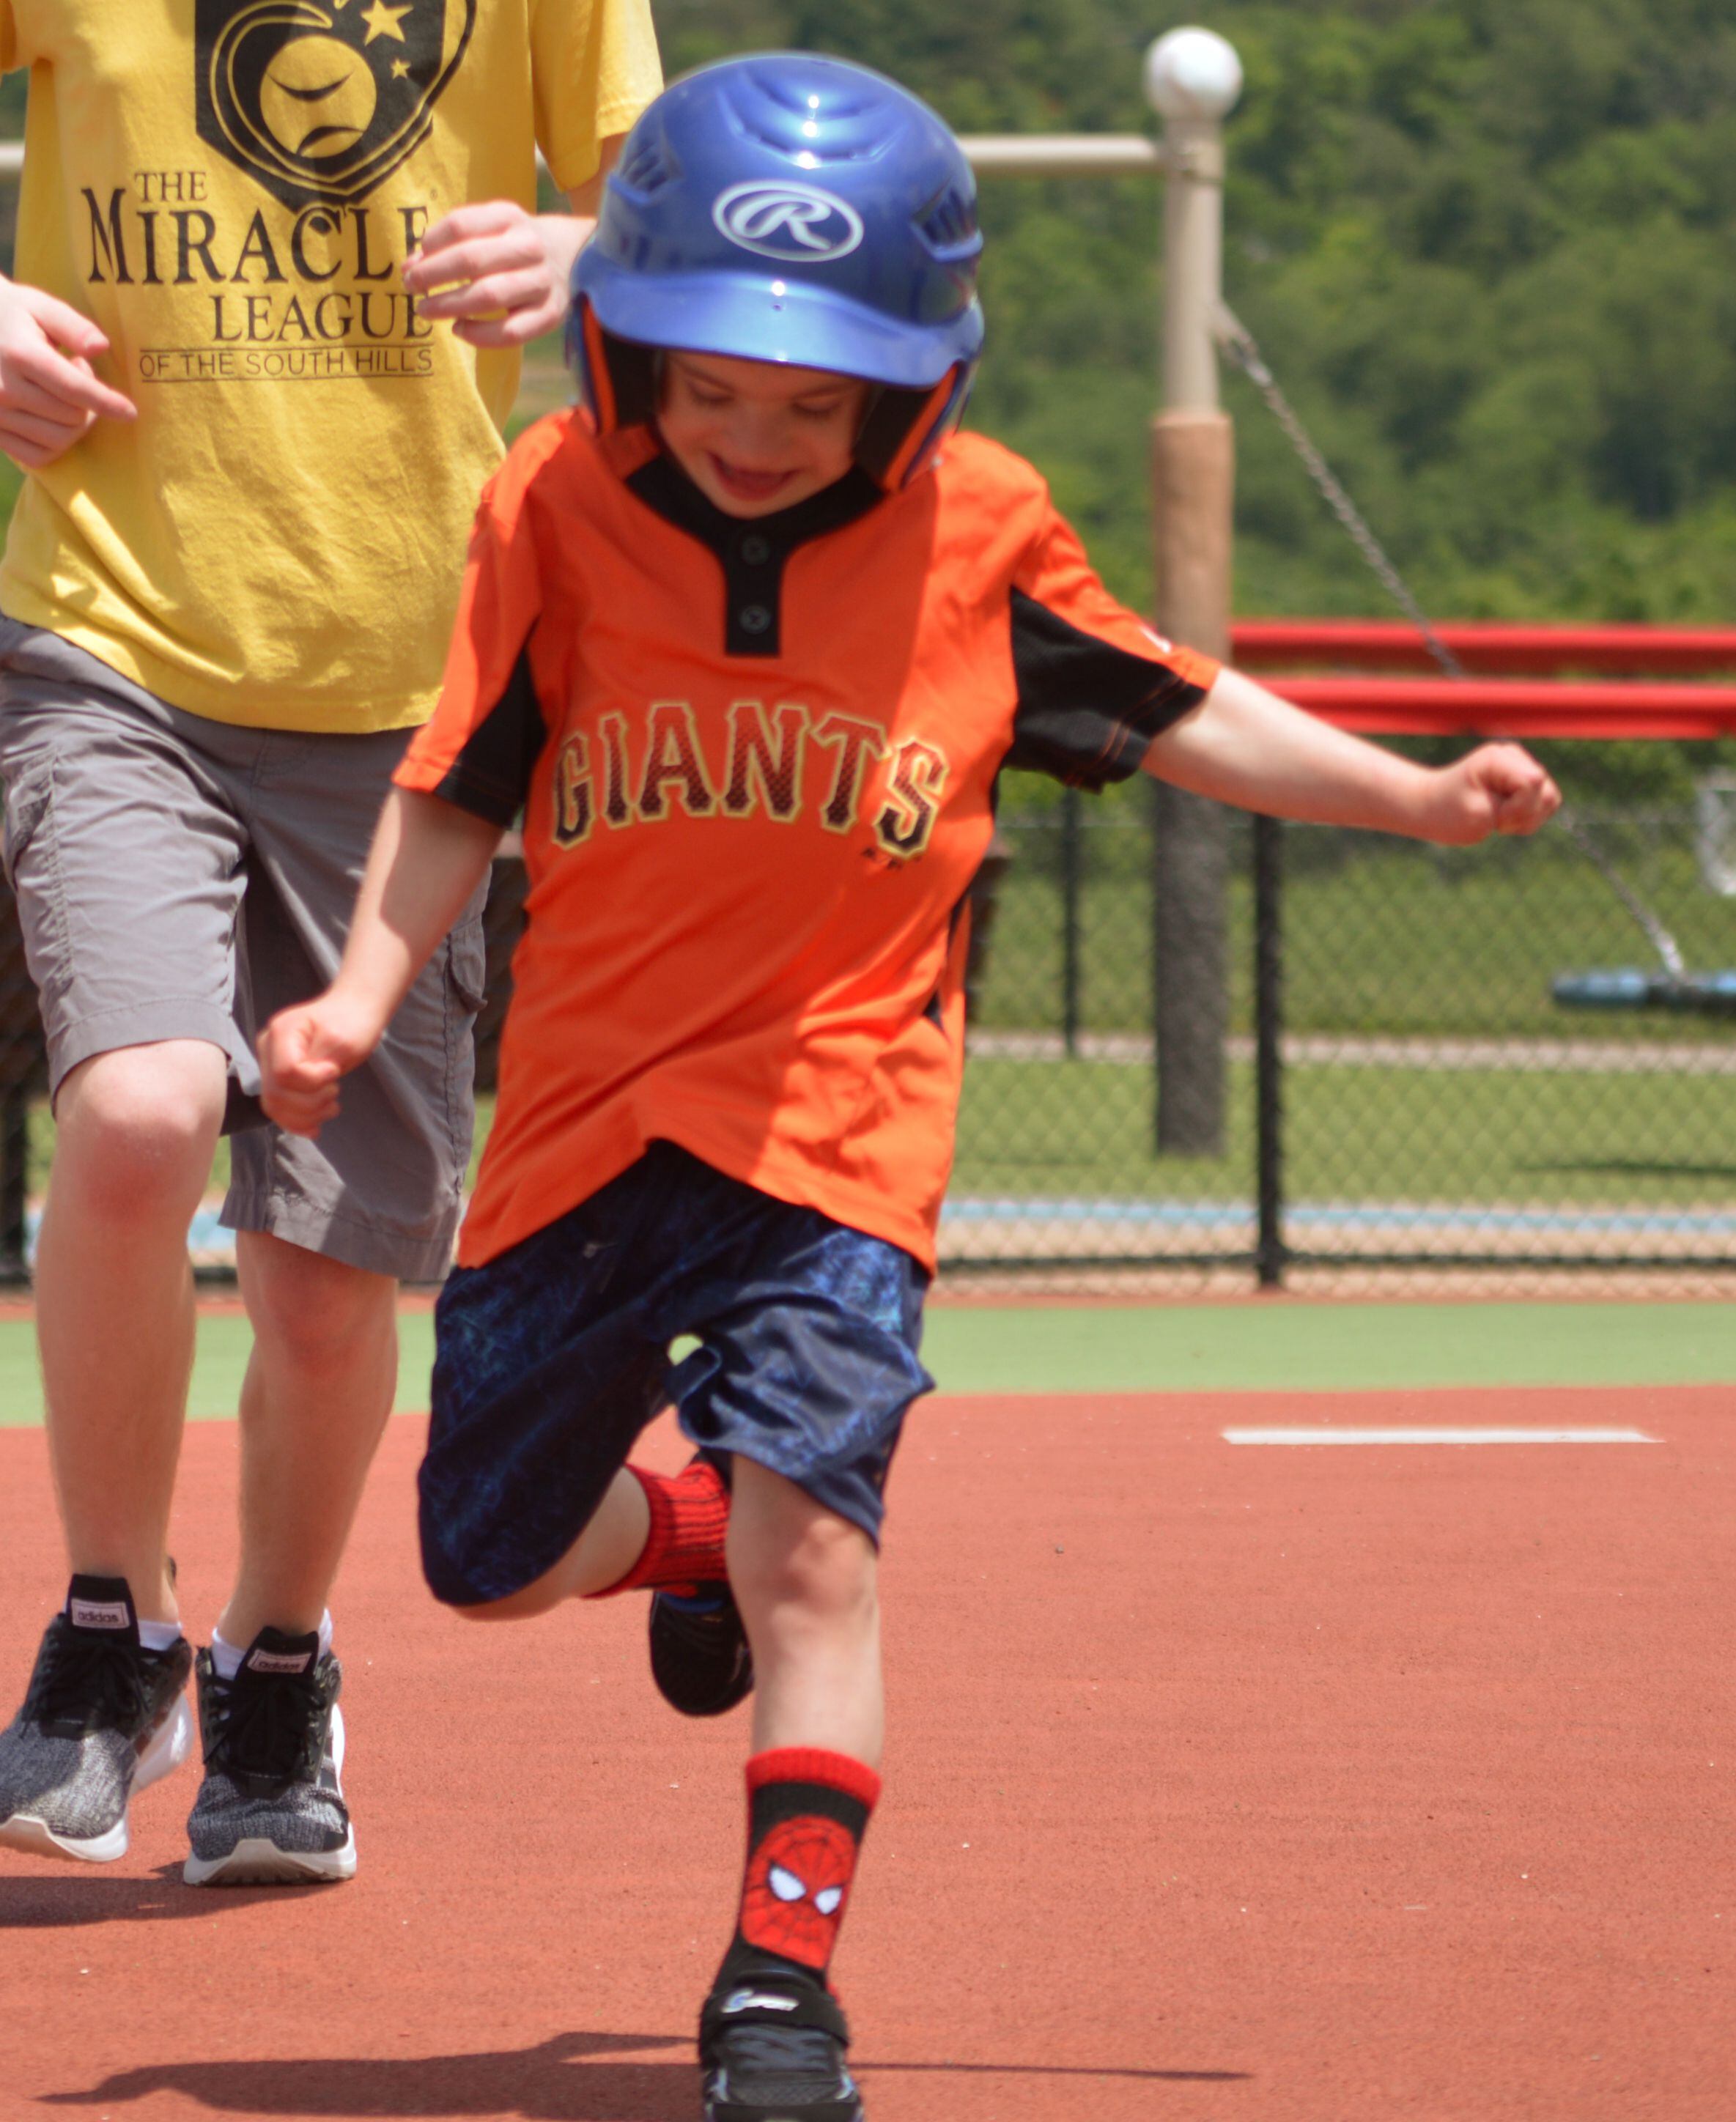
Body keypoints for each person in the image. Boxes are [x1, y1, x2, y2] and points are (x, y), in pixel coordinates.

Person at [259, 53, 1562, 2121]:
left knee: (824, 1563)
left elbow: (1170, 708)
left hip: (843, 1131)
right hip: (587, 1124)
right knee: (484, 1559)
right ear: (624, 348)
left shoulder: (979, 533)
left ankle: (780, 1987)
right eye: (711, 387)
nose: (759, 436)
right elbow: (454, 790)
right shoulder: (555, 506)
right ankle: (680, 1526)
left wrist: (1409, 797)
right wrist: (353, 1001)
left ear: (916, 387)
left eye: (817, 398)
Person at [0, 1, 661, 1886]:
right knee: (134, 1113)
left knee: (320, 1271)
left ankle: (277, 1666)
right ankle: (111, 1629)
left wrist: (587, 251)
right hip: (110, 642)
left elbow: (704, 220)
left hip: (417, 699)